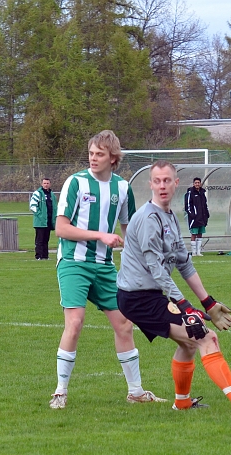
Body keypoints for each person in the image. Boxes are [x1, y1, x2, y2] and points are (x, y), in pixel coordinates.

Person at [116, 160, 231, 415]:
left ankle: (182, 402)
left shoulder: (168, 216)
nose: (162, 186)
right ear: (150, 184)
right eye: (157, 181)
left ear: (175, 183)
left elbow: (185, 264)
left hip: (148, 296)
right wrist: (185, 306)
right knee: (205, 336)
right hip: (138, 298)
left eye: (167, 180)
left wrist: (209, 304)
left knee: (189, 343)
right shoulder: (149, 218)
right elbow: (156, 269)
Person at [49, 130, 164, 409]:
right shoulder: (75, 182)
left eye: (99, 154)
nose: (93, 158)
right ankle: (60, 392)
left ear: (113, 158)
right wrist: (100, 236)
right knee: (75, 323)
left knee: (125, 324)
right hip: (74, 262)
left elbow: (129, 230)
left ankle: (136, 391)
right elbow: (61, 228)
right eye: (90, 153)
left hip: (104, 267)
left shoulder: (122, 188)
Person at [29, 177, 56, 260]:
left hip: (48, 221)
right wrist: (40, 215)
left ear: (50, 184)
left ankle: (45, 256)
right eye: (44, 183)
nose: (46, 185)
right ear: (42, 184)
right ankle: (38, 256)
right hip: (40, 222)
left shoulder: (52, 195)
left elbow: (54, 207)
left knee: (46, 239)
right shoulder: (37, 193)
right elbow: (32, 206)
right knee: (39, 240)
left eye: (47, 183)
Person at [184, 177, 209, 257]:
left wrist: (207, 214)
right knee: (194, 234)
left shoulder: (202, 193)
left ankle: (198, 251)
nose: (197, 184)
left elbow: (205, 205)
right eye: (196, 183)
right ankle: (193, 252)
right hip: (194, 218)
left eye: (198, 183)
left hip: (202, 217)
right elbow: (187, 206)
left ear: (200, 183)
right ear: (193, 184)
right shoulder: (190, 193)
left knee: (200, 234)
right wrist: (193, 215)